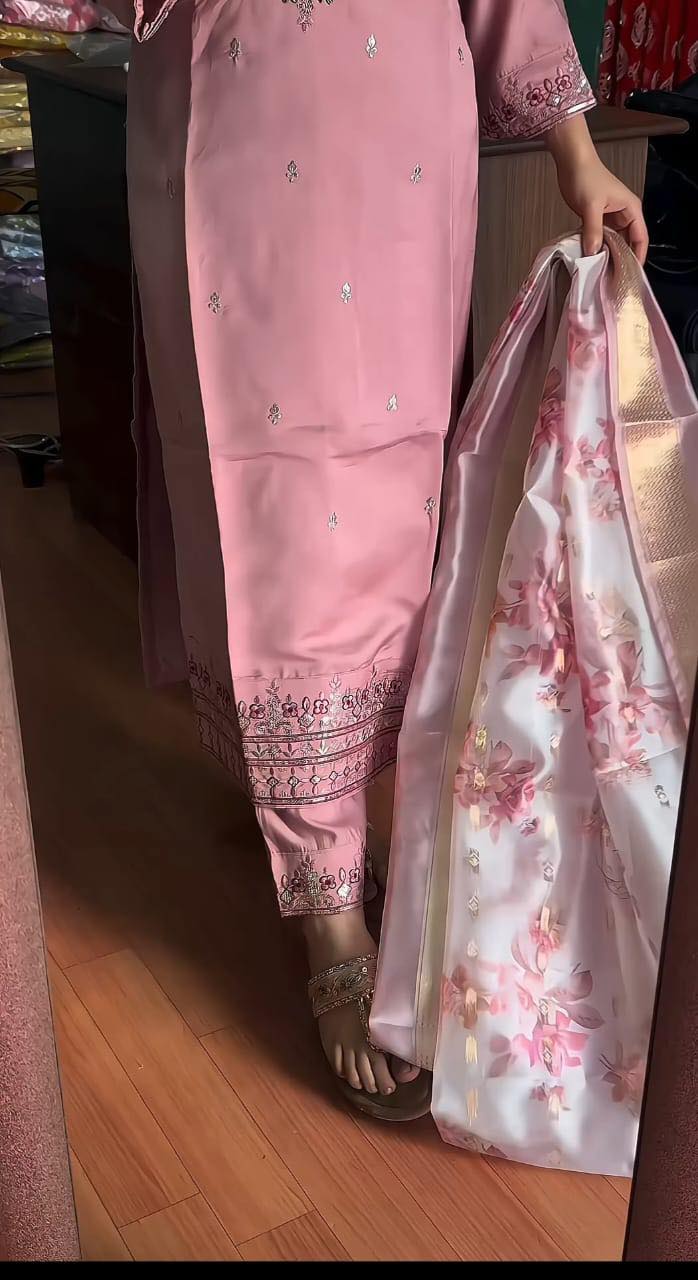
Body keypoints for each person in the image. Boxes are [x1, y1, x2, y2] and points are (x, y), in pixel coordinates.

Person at [123, 0, 648, 1117]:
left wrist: (575, 150)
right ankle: (328, 910)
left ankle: (359, 821)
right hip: (230, 111)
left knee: (391, 494)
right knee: (272, 506)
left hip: (400, 131)